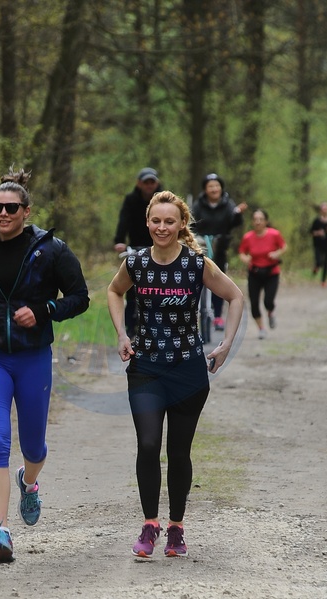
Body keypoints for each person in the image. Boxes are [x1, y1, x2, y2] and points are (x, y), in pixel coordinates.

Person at [0, 167, 89, 562]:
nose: (3, 214)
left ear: (26, 210)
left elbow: (80, 297)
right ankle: (0, 532)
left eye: (10, 208)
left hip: (32, 357)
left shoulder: (51, 250)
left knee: (33, 446)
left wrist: (44, 310)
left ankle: (30, 482)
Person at [107, 190, 244, 558]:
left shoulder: (197, 264)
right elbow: (114, 291)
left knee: (179, 452)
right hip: (146, 368)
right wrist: (121, 334)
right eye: (156, 221)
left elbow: (235, 296)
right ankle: (149, 524)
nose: (162, 227)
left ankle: (176, 528)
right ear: (147, 222)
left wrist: (226, 344)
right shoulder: (136, 263)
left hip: (188, 370)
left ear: (182, 223)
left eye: (169, 221)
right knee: (148, 445)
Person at [192, 173, 247, 331]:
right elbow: (192, 223)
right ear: (205, 189)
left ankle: (217, 315)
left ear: (221, 188)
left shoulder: (228, 203)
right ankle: (195, 313)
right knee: (197, 278)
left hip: (220, 247)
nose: (214, 189)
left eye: (217, 186)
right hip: (201, 245)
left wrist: (237, 214)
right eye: (211, 186)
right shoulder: (198, 205)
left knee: (218, 279)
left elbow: (234, 222)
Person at [113, 167, 162, 337]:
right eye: (146, 182)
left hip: (159, 246)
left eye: (152, 182)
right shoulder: (131, 200)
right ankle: (130, 328)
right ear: (139, 183)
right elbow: (123, 220)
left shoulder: (163, 200)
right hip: (135, 247)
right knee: (131, 287)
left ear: (157, 183)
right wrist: (119, 240)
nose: (149, 185)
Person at [238, 209, 287, 340]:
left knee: (268, 301)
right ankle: (261, 329)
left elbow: (284, 246)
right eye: (255, 219)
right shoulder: (248, 237)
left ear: (266, 221)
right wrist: (246, 259)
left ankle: (270, 312)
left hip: (271, 273)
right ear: (252, 222)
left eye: (261, 219)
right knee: (254, 303)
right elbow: (242, 252)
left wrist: (276, 253)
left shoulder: (274, 234)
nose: (258, 222)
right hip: (255, 273)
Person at [310, 201, 327, 287]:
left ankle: (323, 280)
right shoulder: (316, 221)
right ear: (320, 210)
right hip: (318, 244)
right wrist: (318, 233)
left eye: (326, 209)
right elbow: (311, 232)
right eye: (323, 209)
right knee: (319, 260)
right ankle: (317, 266)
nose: (325, 210)